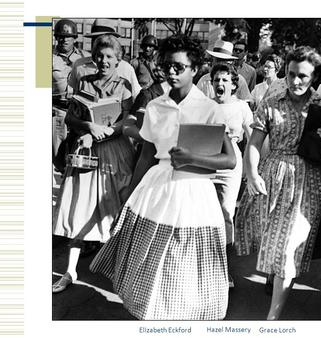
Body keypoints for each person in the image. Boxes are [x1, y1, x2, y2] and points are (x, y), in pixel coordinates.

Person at [89, 35, 236, 320]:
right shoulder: (156, 106)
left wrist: (193, 158)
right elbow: (146, 155)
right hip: (157, 189)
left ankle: (185, 316)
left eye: (179, 67)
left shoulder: (209, 108)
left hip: (194, 191)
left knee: (186, 259)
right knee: (152, 257)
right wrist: (128, 198)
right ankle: (151, 312)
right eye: (168, 66)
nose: (171, 72)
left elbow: (229, 160)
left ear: (194, 69)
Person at [234, 46, 321, 320]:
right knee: (273, 240)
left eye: (303, 76)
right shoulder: (271, 103)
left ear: (314, 76)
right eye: (291, 74)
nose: (295, 81)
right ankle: (274, 277)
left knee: (289, 247)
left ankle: (272, 319)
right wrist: (253, 173)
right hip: (273, 176)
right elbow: (254, 144)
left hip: (308, 182)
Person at [52, 35, 135, 293]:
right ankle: (70, 270)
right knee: (80, 206)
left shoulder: (123, 86)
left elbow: (129, 121)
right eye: (100, 55)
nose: (104, 60)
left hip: (114, 151)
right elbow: (70, 121)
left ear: (118, 59)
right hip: (86, 152)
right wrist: (88, 126)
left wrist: (108, 131)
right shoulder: (84, 82)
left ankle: (120, 270)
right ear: (93, 57)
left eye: (110, 56)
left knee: (118, 206)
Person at [210, 63, 253, 288]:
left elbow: (253, 139)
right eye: (217, 80)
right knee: (205, 214)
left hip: (230, 164)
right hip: (207, 161)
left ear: (234, 84)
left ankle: (224, 270)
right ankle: (203, 267)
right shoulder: (206, 106)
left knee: (226, 214)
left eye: (225, 80)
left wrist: (249, 168)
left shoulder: (241, 107)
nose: (220, 84)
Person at [69, 19, 141, 99]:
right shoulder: (79, 65)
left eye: (106, 38)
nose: (101, 42)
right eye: (96, 39)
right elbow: (74, 96)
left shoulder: (126, 68)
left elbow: (136, 97)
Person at [52, 19, 90, 170]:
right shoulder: (47, 57)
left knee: (79, 153)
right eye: (60, 36)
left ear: (75, 38)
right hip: (58, 110)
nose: (64, 39)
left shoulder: (85, 58)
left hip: (80, 112)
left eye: (68, 36)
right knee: (57, 155)